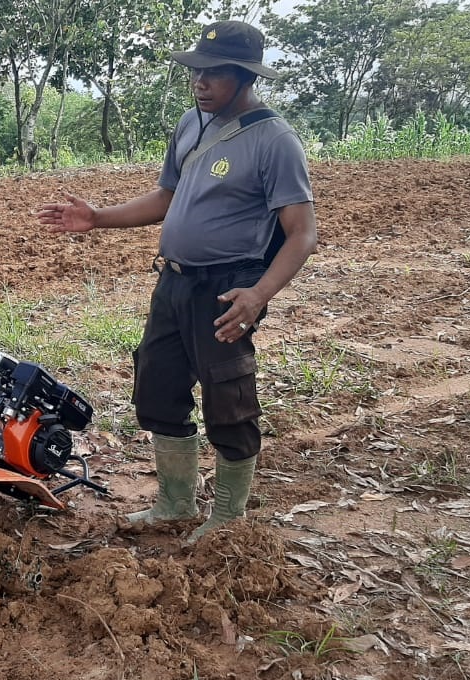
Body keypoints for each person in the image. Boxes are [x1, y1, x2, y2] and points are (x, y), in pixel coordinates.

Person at [37, 20, 318, 543]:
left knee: (227, 399)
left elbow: (301, 233)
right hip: (174, 283)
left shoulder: (274, 140)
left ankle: (228, 520)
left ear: (243, 75)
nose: (200, 82)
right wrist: (98, 217)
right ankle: (174, 505)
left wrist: (258, 295)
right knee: (158, 387)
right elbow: (166, 197)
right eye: (196, 71)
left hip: (227, 288)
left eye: (213, 74)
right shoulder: (192, 123)